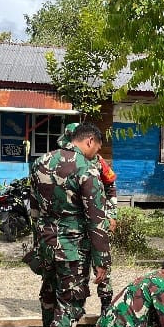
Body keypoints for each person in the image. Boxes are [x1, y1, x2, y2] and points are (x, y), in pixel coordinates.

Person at [30, 122, 111, 327]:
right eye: (96, 148)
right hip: (72, 248)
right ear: (89, 141)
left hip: (47, 243)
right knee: (71, 302)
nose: (96, 153)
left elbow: (34, 207)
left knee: (49, 295)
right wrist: (102, 261)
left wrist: (37, 242)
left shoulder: (41, 162)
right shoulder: (85, 169)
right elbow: (96, 218)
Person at [61, 122, 119, 316]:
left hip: (97, 221)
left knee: (102, 264)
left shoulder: (97, 160)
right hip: (75, 227)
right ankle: (76, 303)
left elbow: (111, 186)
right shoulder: (63, 160)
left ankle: (106, 303)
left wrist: (111, 213)